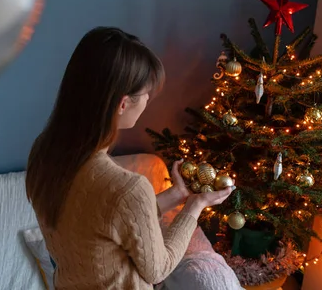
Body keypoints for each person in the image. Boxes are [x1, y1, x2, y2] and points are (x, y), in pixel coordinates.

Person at [26, 27, 235, 289]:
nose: (148, 99)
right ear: (123, 104)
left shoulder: (43, 153)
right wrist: (195, 206)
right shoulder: (127, 188)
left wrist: (177, 196)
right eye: (146, 93)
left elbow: (106, 224)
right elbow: (158, 269)